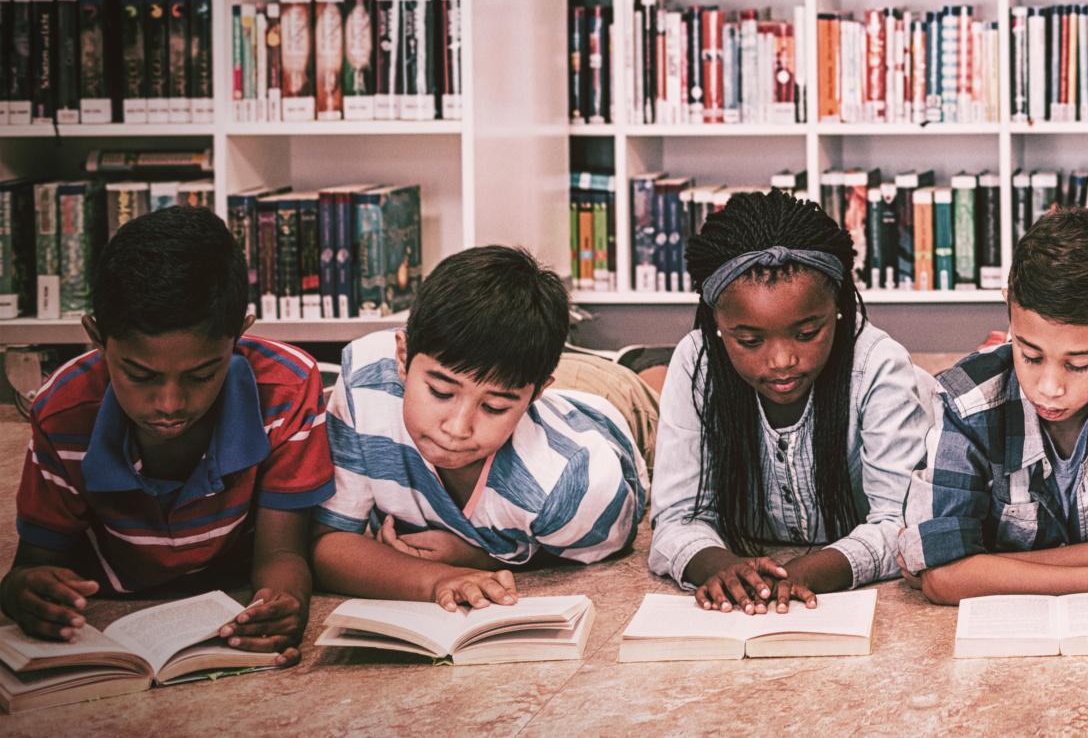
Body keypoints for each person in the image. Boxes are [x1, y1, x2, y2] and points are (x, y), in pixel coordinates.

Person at [3, 207, 330, 665]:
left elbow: (281, 552)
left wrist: (280, 605)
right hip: (110, 611)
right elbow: (32, 566)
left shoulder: (287, 390)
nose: (170, 404)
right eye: (139, 374)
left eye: (202, 374)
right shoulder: (63, 410)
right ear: (97, 339)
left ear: (239, 333)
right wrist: (26, 594)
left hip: (234, 593)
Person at [312, 246, 646, 609]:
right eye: (440, 392)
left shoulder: (574, 483)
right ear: (403, 358)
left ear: (534, 395)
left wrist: (479, 557)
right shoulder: (365, 380)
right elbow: (328, 542)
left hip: (616, 403)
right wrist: (437, 578)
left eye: (493, 408)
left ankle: (645, 360)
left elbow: (598, 549)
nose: (457, 429)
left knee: (645, 382)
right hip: (515, 380)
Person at [650, 191, 934, 613]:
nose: (782, 361)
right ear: (717, 324)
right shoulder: (697, 364)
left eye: (807, 334)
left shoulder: (878, 364)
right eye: (749, 341)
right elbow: (677, 518)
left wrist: (804, 573)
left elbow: (900, 524)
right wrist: (728, 569)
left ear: (837, 308)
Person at [898, 208, 1088, 603]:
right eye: (1030, 355)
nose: (1050, 388)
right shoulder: (968, 402)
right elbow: (943, 579)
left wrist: (984, 568)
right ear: (1009, 312)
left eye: (1079, 364)